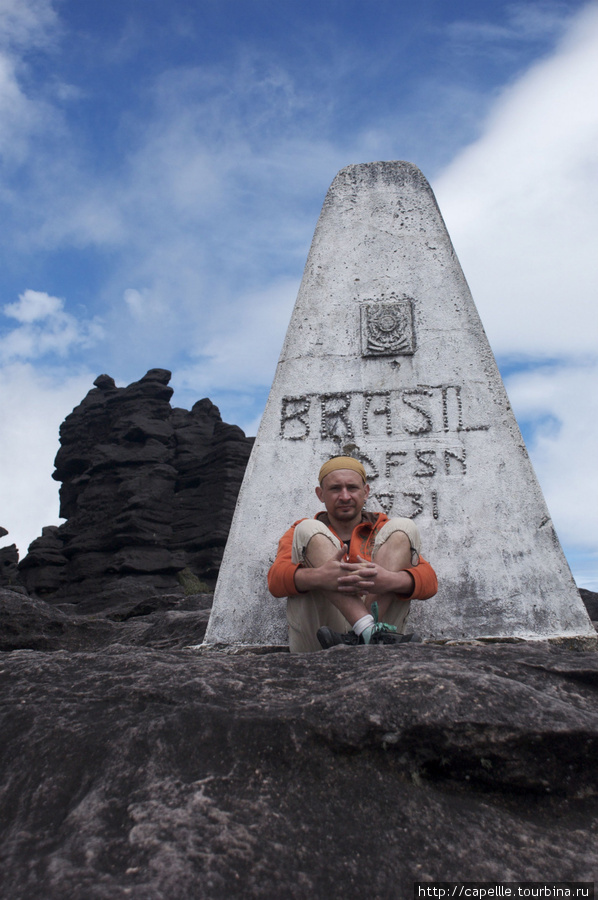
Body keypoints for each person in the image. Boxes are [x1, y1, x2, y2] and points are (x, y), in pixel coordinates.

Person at [267, 456, 438, 652]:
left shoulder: (385, 530)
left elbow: (430, 581)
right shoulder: (300, 532)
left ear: (365, 492)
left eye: (352, 488)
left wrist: (391, 580)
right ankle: (366, 629)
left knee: (404, 526)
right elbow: (275, 581)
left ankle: (367, 632)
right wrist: (319, 577)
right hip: (320, 640)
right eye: (335, 489)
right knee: (308, 528)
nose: (345, 496)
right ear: (320, 494)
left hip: (381, 641)